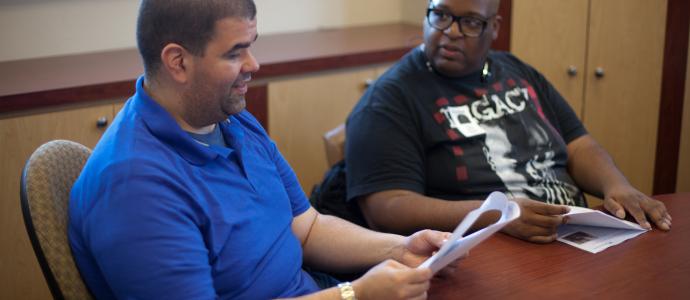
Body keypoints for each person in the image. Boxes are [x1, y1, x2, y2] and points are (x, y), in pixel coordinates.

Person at [68, 1, 460, 299]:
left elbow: (306, 228)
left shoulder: (226, 117)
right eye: (235, 52)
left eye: (251, 47)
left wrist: (401, 246)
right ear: (178, 62)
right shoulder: (134, 186)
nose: (254, 65)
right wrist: (354, 294)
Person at [345, 0, 672, 243]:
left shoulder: (515, 70)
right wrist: (495, 215)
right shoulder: (389, 99)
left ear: (495, 28)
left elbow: (578, 144)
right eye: (441, 15)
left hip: (575, 235)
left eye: (471, 22)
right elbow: (386, 208)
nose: (451, 32)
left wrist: (616, 185)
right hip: (484, 247)